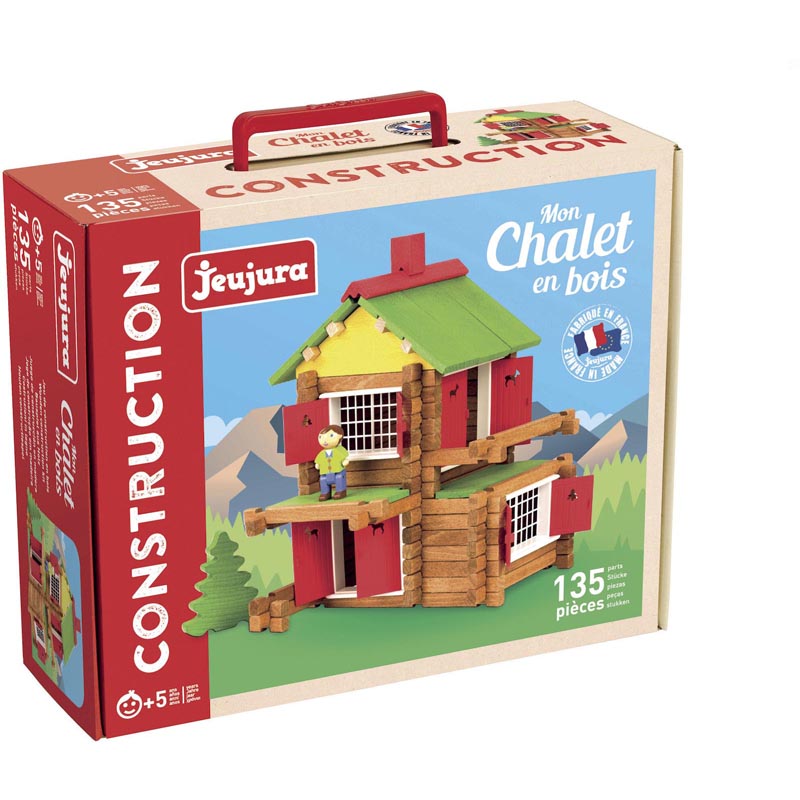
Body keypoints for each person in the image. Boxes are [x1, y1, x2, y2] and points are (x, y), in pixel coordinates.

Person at [314, 425, 350, 501]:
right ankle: (325, 493)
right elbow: (318, 460)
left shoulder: (339, 450)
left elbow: (344, 457)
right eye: (321, 437)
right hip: (325, 472)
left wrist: (344, 461)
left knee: (339, 478)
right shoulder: (322, 453)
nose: (325, 440)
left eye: (331, 436)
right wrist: (317, 464)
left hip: (338, 470)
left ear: (340, 436)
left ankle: (340, 491)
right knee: (323, 479)